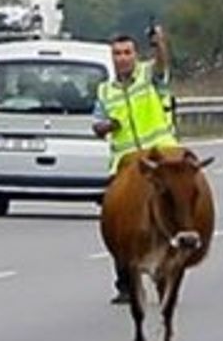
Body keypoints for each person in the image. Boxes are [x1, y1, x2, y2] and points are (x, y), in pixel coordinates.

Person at [92, 26, 178, 304]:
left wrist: (161, 43)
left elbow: (163, 65)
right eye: (117, 54)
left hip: (161, 155)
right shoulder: (105, 90)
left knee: (176, 206)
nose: (123, 58)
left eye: (127, 52)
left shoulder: (148, 76)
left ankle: (171, 260)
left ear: (136, 55)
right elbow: (97, 124)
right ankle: (125, 283)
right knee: (115, 218)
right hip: (126, 162)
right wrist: (105, 126)